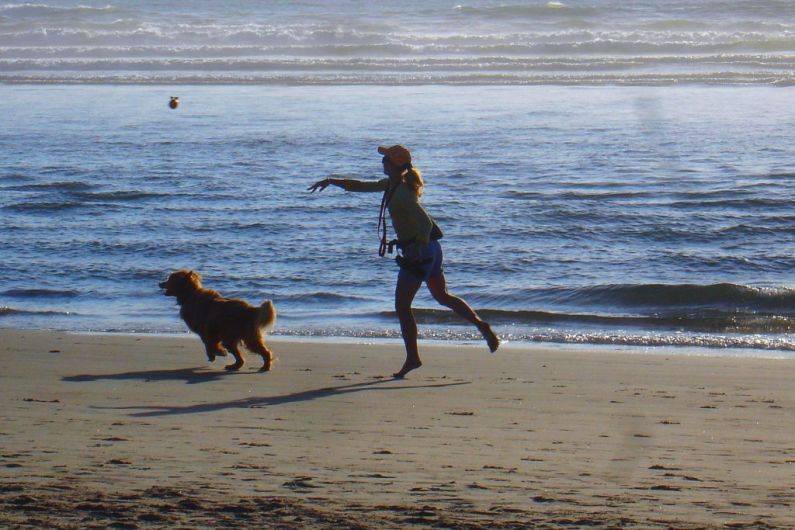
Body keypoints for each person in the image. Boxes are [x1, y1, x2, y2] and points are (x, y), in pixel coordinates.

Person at [308, 144, 499, 378]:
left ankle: (413, 358)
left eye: (385, 159)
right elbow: (360, 186)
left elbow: (426, 223)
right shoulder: (393, 185)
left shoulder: (405, 192)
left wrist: (417, 245)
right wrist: (331, 181)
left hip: (421, 252)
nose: (382, 163)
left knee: (402, 306)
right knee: (442, 296)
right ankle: (481, 326)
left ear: (395, 164)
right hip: (432, 251)